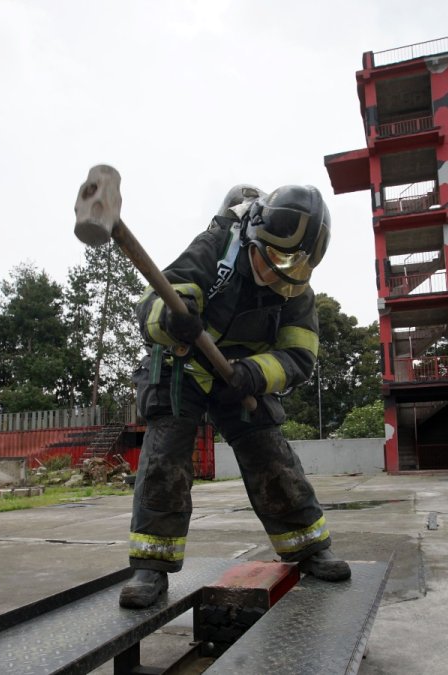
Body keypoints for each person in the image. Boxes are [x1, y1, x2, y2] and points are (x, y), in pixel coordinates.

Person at [119, 183, 350, 609]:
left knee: (271, 455)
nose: (282, 275)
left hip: (241, 378)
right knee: (165, 457)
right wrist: (173, 317)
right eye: (277, 259)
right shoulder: (216, 245)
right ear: (254, 237)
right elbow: (156, 299)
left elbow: (300, 357)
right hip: (183, 367)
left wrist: (253, 374)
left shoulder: (298, 293)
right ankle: (150, 567)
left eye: (298, 266)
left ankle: (309, 548)